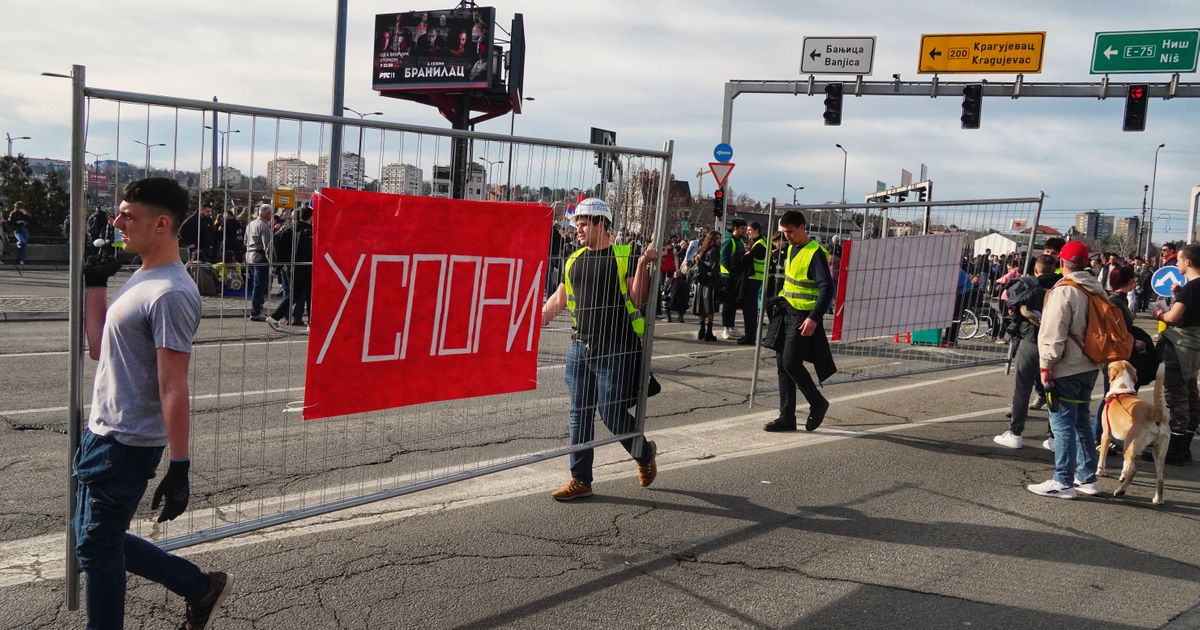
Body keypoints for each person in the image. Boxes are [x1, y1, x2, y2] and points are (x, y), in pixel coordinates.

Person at [77, 177, 231, 629]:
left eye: (128, 215)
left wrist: (179, 464)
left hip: (127, 442)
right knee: (91, 538)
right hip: (102, 431)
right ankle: (200, 587)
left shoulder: (172, 293)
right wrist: (95, 282)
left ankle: (198, 588)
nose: (117, 221)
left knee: (96, 547)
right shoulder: (143, 276)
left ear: (161, 224)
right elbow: (97, 348)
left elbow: (173, 386)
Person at [539, 198, 659, 501]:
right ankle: (580, 480)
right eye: (577, 222)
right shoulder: (574, 258)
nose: (578, 228)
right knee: (579, 414)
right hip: (581, 347)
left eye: (584, 223)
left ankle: (644, 453)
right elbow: (560, 297)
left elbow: (639, 298)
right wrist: (536, 319)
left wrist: (643, 264)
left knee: (612, 413)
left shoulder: (624, 255)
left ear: (601, 224)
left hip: (616, 348)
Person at [1028, 241, 1103, 499]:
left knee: (1061, 424)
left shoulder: (1064, 291)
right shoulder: (1096, 288)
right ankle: (1087, 477)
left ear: (1062, 263)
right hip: (1090, 363)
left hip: (1066, 366)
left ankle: (1063, 480)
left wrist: (1046, 367)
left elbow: (1053, 332)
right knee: (1082, 421)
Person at [765, 210, 837, 433]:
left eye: (790, 232)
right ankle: (786, 417)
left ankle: (818, 403)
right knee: (781, 365)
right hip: (786, 312)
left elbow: (827, 288)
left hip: (803, 316)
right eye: (784, 232)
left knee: (790, 362)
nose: (786, 236)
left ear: (802, 228)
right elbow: (791, 283)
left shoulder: (814, 252)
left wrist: (814, 319)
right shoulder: (791, 249)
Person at [994, 255, 1056, 449]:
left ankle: (1015, 433)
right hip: (1055, 344)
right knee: (1053, 389)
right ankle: (1054, 436)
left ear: (1036, 270)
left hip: (1030, 341)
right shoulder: (1063, 287)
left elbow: (1010, 305)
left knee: (1022, 388)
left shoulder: (1026, 285)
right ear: (1054, 270)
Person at [1151, 243, 1200, 464]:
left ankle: (1174, 449)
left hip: (1180, 346)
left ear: (1187, 262)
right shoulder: (1189, 288)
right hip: (1195, 348)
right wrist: (1178, 294)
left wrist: (1160, 314)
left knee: (1176, 396)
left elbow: (1172, 318)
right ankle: (1185, 447)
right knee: (1190, 393)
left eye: (1179, 260)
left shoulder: (1191, 288)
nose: (1176, 263)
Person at [266, 206, 313, 328]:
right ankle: (312, 323)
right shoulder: (307, 230)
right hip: (305, 267)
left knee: (294, 294)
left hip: (289, 267)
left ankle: (274, 317)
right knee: (310, 294)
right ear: (311, 217)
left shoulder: (287, 228)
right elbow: (309, 250)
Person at [736, 221, 769, 345]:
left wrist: (744, 254)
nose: (748, 232)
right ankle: (749, 335)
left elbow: (746, 259)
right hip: (754, 279)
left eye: (750, 230)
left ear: (757, 230)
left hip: (753, 279)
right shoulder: (758, 243)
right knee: (749, 309)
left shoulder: (760, 244)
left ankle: (750, 337)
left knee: (749, 310)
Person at [719, 218, 747, 339]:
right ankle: (726, 328)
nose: (744, 231)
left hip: (735, 276)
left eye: (745, 229)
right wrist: (732, 270)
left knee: (733, 303)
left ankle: (731, 326)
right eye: (742, 229)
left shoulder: (739, 241)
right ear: (735, 228)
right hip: (728, 277)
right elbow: (724, 259)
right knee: (728, 303)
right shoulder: (729, 241)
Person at [244, 204, 273, 322]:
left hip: (249, 256)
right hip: (260, 257)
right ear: (267, 214)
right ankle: (255, 311)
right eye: (270, 214)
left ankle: (259, 306)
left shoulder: (250, 224)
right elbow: (268, 246)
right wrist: (272, 261)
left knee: (258, 284)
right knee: (259, 286)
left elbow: (245, 241)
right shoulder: (264, 227)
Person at [691, 231, 721, 341]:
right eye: (717, 238)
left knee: (702, 307)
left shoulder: (703, 249)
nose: (719, 241)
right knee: (710, 308)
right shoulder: (714, 250)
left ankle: (701, 329)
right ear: (713, 239)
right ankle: (708, 332)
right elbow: (714, 268)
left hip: (701, 281)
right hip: (709, 283)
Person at [8, 201, 32, 266]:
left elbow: (31, 220)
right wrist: (18, 222)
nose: (16, 208)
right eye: (15, 207)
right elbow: (9, 222)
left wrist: (25, 213)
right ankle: (18, 243)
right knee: (22, 241)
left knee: (24, 246)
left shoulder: (24, 213)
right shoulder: (13, 213)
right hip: (17, 229)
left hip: (25, 230)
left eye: (18, 207)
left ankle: (21, 260)